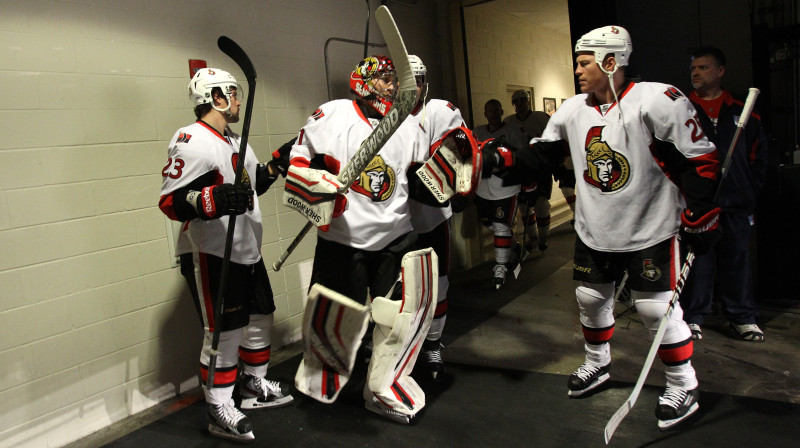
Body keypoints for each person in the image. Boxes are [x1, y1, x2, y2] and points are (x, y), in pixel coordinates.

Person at [483, 26, 721, 430]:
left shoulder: (657, 100)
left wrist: (701, 212)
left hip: (651, 228)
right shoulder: (572, 109)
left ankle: (684, 384)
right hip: (595, 230)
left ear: (611, 63)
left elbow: (701, 160)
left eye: (584, 62)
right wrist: (502, 161)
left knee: (654, 309)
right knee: (591, 298)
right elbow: (544, 156)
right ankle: (598, 364)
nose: (577, 70)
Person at [285, 55, 465, 423]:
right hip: (342, 240)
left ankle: (383, 387)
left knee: (399, 318)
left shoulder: (407, 124)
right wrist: (315, 185)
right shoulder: (331, 115)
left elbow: (422, 176)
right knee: (335, 316)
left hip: (395, 239)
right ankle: (323, 380)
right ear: (364, 82)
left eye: (394, 80)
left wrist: (452, 174)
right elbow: (298, 163)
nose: (393, 86)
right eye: (385, 79)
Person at [158, 68, 293, 443]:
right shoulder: (191, 139)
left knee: (261, 314)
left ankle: (253, 386)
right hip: (212, 250)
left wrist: (277, 163)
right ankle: (218, 407)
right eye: (232, 93)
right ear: (215, 97)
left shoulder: (238, 140)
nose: (237, 100)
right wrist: (210, 198)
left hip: (245, 245)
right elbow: (170, 201)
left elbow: (250, 187)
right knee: (224, 330)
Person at [679, 47, 768, 342]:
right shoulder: (681, 110)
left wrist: (747, 190)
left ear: (720, 71)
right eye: (694, 68)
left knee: (737, 261)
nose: (696, 73)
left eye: (703, 68)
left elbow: (758, 157)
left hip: (736, 204)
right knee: (698, 263)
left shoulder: (743, 111)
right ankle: (693, 317)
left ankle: (742, 316)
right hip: (699, 204)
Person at [406, 54, 472, 379]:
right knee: (401, 289)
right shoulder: (381, 119)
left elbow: (452, 158)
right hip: (394, 223)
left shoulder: (439, 112)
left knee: (438, 285)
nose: (414, 87)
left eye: (419, 80)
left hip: (431, 217)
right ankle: (404, 347)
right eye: (409, 80)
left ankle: (433, 344)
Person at [473, 99, 529, 289]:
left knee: (500, 225)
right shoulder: (478, 131)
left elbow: (523, 155)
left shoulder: (513, 129)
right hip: (484, 187)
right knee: (489, 224)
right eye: (489, 111)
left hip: (506, 186)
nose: (493, 114)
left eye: (496, 111)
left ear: (501, 111)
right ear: (485, 113)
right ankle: (512, 246)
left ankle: (500, 267)